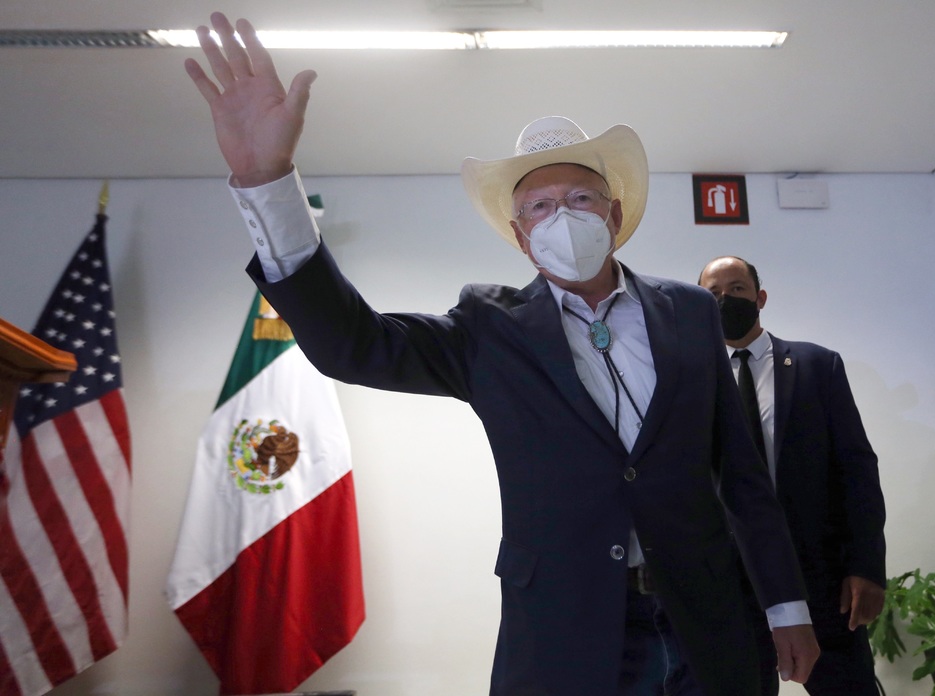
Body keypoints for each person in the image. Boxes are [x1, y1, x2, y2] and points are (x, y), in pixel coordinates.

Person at [184, 13, 821, 695]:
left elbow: (743, 475)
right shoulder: (489, 327)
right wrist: (269, 182)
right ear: (521, 237)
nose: (562, 216)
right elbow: (354, 345)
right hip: (563, 629)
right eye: (540, 207)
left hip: (706, 617)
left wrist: (788, 607)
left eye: (581, 198)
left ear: (614, 215)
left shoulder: (689, 312)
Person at [697, 256, 886, 696]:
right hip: (732, 583)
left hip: (822, 580)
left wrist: (866, 566)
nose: (725, 300)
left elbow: (857, 470)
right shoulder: (692, 380)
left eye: (737, 289)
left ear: (760, 298)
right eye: (713, 294)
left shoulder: (816, 365)